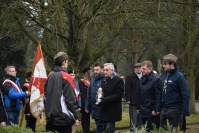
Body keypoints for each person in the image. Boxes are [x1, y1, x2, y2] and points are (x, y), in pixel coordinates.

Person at [44, 52, 79, 133]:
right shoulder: (66, 76)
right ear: (64, 62)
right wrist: (75, 116)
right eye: (67, 61)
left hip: (50, 117)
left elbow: (45, 95)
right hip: (63, 118)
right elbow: (70, 99)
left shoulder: (50, 76)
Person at [157, 54, 190, 131]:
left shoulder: (180, 77)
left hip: (175, 109)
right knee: (163, 131)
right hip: (164, 109)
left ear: (172, 64)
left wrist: (185, 111)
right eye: (163, 64)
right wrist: (158, 108)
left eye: (165, 64)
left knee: (173, 130)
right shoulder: (164, 76)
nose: (163, 66)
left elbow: (185, 94)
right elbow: (160, 93)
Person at [98, 63, 124, 133]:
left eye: (107, 70)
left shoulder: (118, 80)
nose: (105, 72)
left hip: (112, 110)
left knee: (109, 130)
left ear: (112, 70)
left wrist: (105, 99)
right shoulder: (103, 80)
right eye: (104, 70)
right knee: (103, 129)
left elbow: (119, 95)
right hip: (104, 109)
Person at [137, 61, 161, 132]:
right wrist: (138, 107)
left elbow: (158, 95)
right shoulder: (142, 79)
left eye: (144, 69)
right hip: (143, 109)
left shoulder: (156, 80)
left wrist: (156, 109)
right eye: (142, 69)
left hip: (151, 111)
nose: (142, 71)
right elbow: (140, 94)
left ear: (150, 69)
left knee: (151, 129)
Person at [85, 63, 104, 133]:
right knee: (98, 125)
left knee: (100, 127)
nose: (95, 71)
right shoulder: (92, 80)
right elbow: (89, 93)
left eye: (97, 70)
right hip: (94, 107)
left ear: (102, 69)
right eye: (94, 70)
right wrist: (87, 106)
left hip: (102, 107)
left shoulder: (104, 79)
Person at [125, 63, 142, 132]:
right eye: (136, 68)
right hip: (133, 101)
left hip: (142, 101)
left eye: (139, 67)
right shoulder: (130, 77)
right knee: (133, 120)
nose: (138, 69)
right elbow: (127, 89)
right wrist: (128, 99)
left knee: (141, 119)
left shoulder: (144, 76)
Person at [79, 66, 92, 133]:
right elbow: (82, 93)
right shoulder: (81, 81)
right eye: (90, 71)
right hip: (84, 102)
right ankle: (85, 130)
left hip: (90, 102)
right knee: (84, 117)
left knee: (88, 118)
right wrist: (85, 103)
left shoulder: (91, 80)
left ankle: (88, 130)